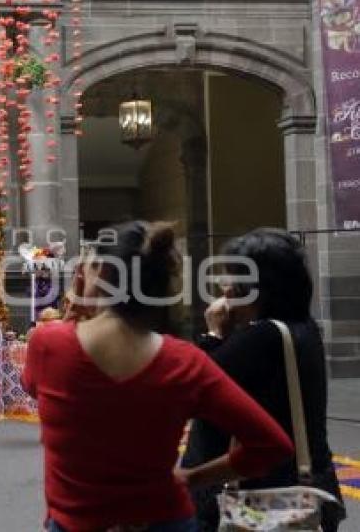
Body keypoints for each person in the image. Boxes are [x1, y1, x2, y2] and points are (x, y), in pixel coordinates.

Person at [22, 221, 294, 532]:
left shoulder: (49, 344)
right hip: (163, 520)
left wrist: (73, 313)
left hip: (76, 523)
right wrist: (193, 477)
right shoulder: (184, 362)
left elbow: (31, 385)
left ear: (100, 276)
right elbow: (271, 445)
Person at [181, 228, 346, 532]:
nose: (225, 290)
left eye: (231, 280)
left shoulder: (263, 338)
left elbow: (197, 390)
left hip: (261, 502)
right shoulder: (303, 328)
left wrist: (213, 333)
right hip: (306, 492)